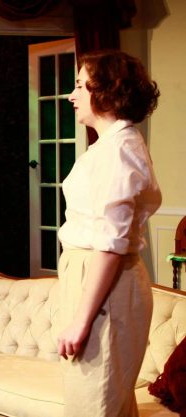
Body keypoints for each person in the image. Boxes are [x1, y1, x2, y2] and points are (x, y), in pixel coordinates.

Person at [57, 49, 161, 417]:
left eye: (79, 86)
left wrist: (81, 321)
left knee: (95, 405)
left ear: (106, 92)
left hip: (106, 287)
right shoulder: (109, 147)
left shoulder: (119, 151)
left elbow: (110, 244)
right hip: (93, 280)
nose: (71, 95)